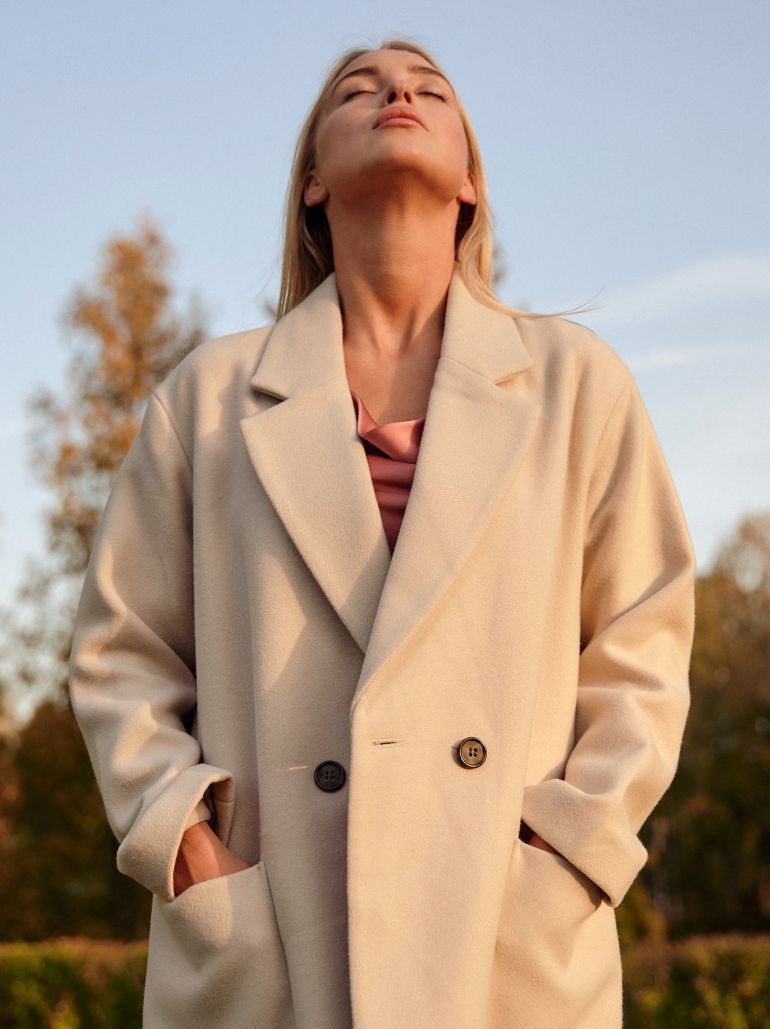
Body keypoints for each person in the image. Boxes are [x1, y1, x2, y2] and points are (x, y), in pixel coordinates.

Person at [68, 36, 696, 1029]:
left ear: (469, 181)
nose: (396, 91)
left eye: (428, 90)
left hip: (504, 936)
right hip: (275, 936)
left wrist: (571, 847)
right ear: (312, 182)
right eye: (356, 90)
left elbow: (642, 647)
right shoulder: (209, 398)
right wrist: (182, 839)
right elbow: (121, 651)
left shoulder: (576, 384)